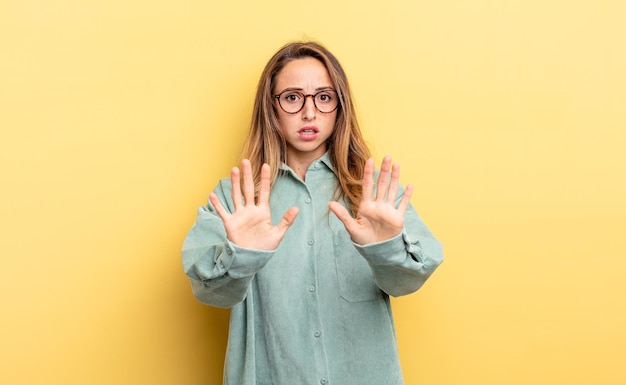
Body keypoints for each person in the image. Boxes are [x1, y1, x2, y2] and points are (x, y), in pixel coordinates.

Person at [182, 41, 443, 385]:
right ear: (271, 108)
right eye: (292, 98)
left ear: (339, 106)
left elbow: (408, 282)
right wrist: (241, 255)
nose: (309, 113)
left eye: (323, 97)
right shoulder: (237, 199)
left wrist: (388, 249)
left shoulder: (374, 192)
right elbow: (211, 293)